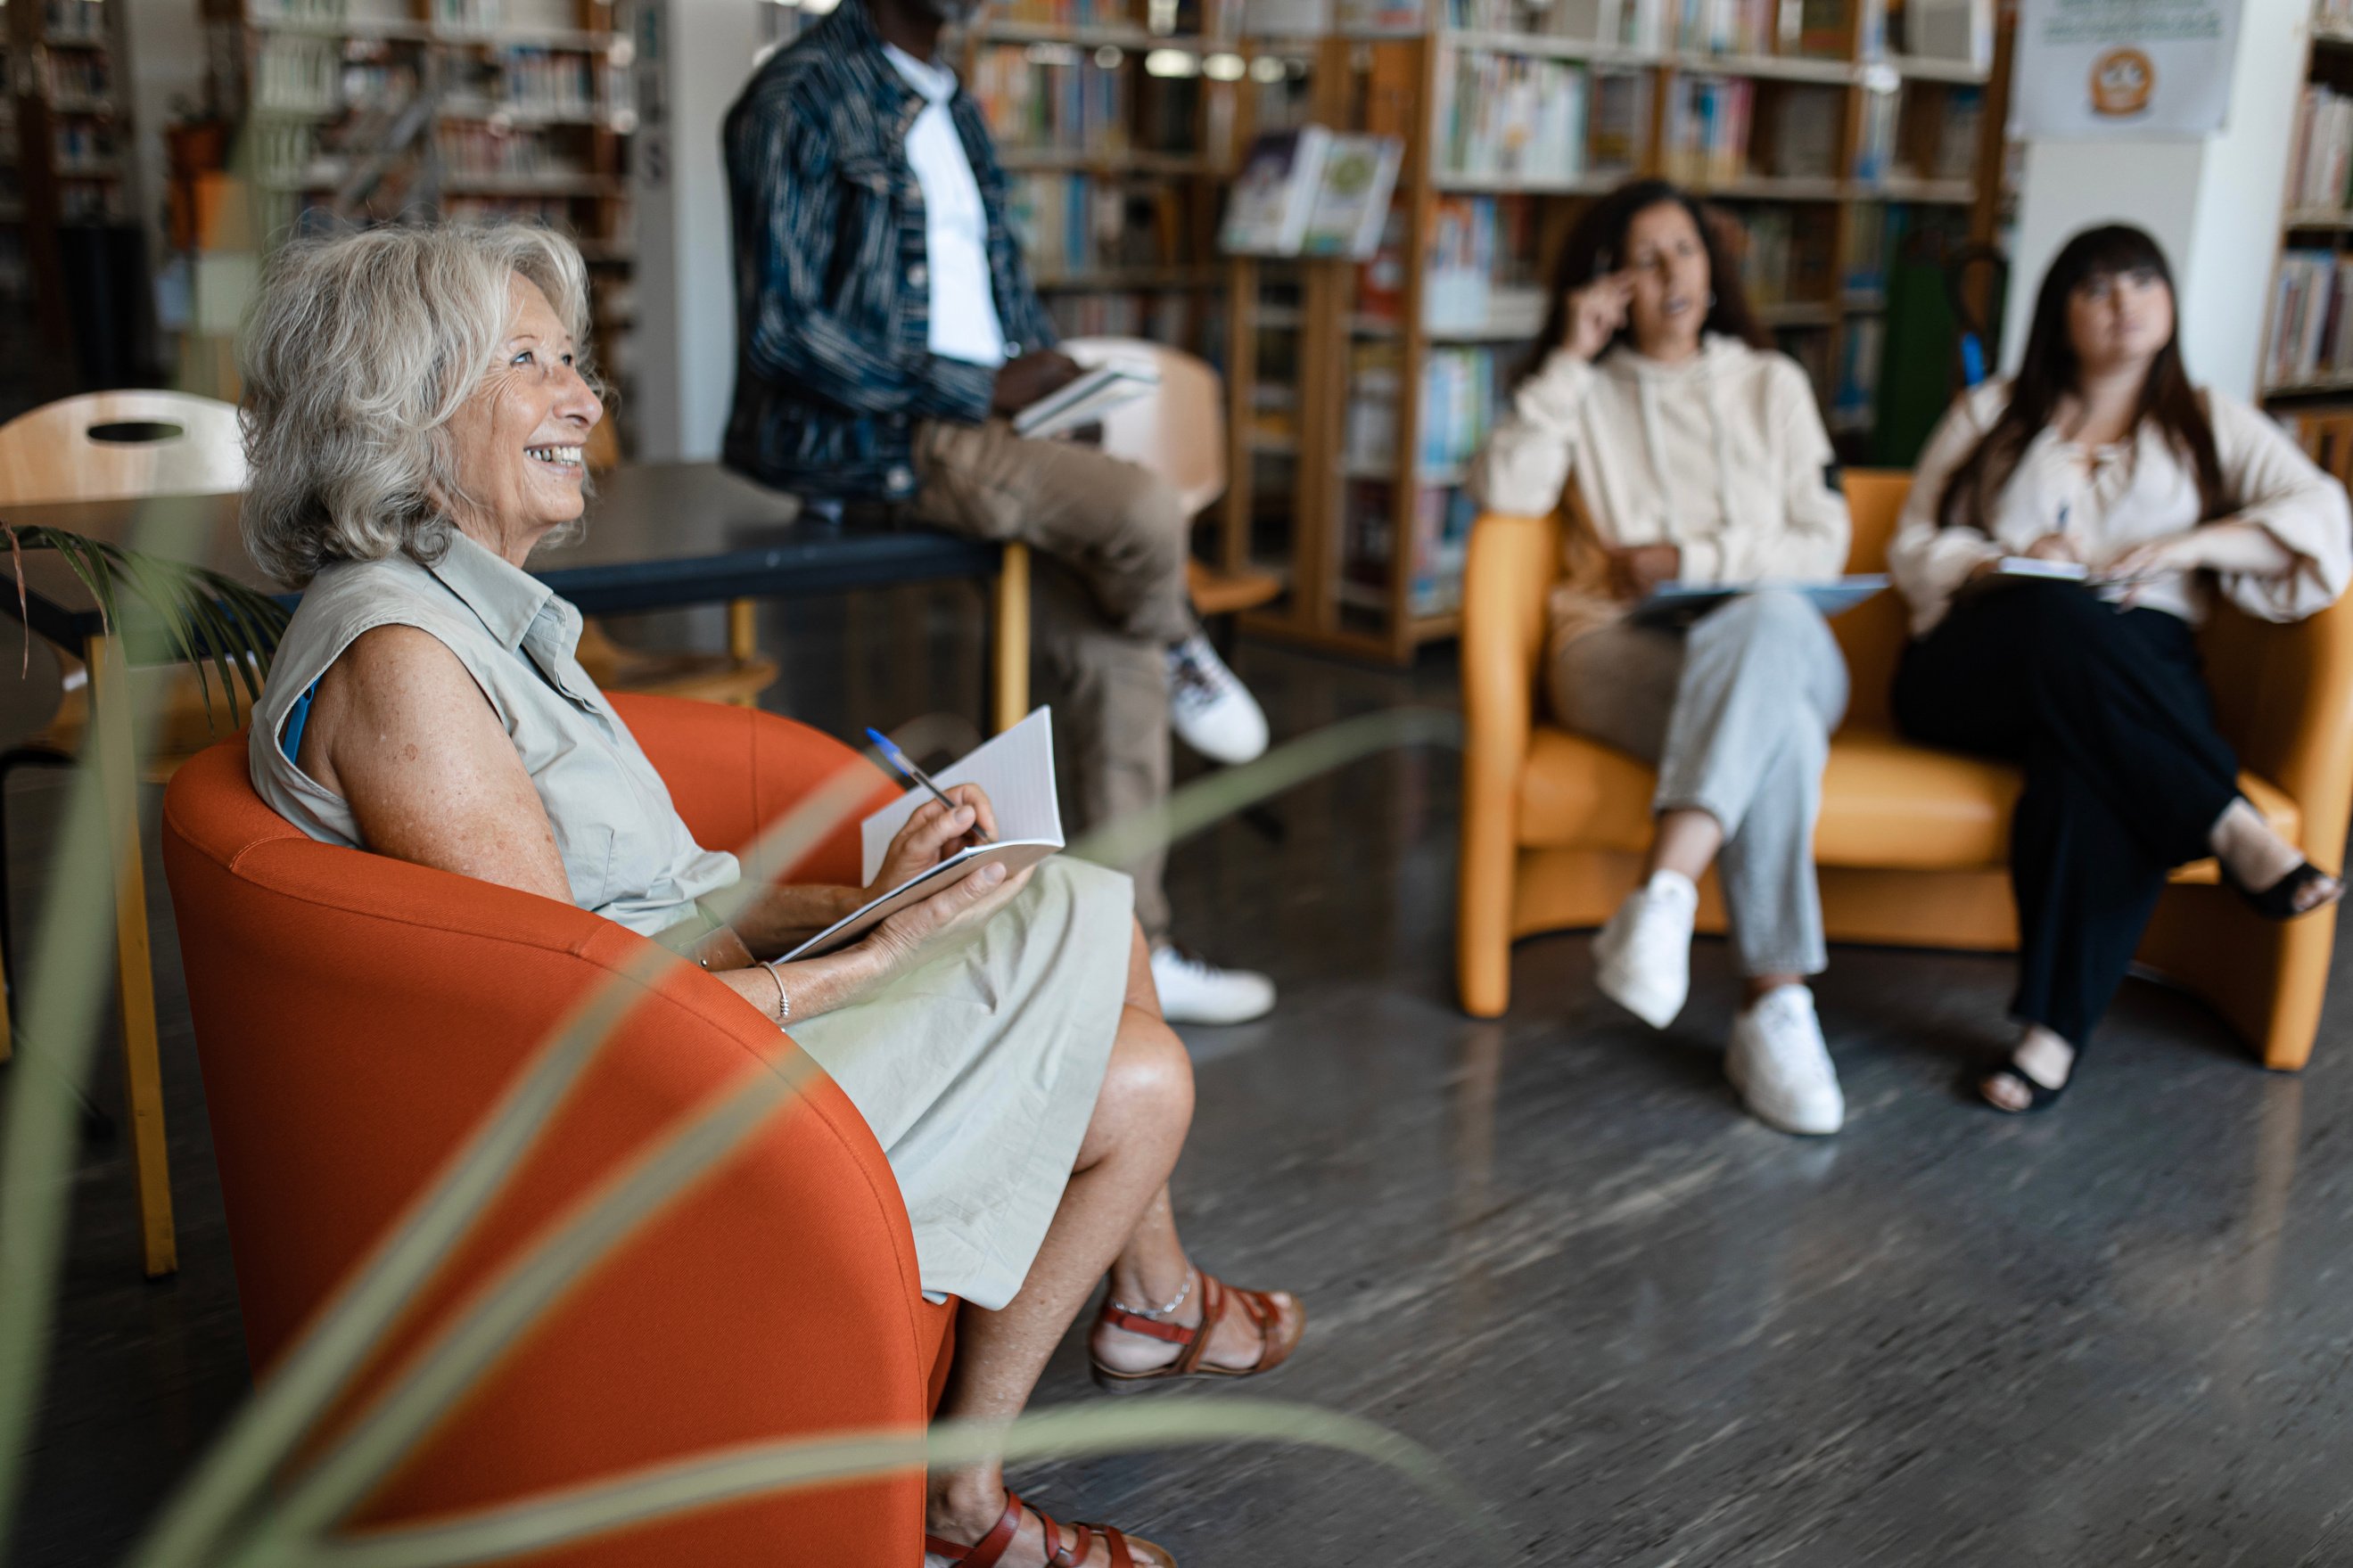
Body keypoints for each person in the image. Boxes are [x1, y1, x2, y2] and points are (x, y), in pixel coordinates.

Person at [238, 225, 1305, 1568]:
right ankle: (1096, 1358)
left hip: (705, 1037)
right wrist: (878, 954)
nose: (583, 399)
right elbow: (574, 1033)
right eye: (529, 364)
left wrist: (870, 896)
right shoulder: (405, 666)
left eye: (576, 363)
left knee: (1100, 1003)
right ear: (394, 404)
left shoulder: (469, 623)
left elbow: (642, 911)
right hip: (663, 1129)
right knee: (1092, 942)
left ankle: (993, 1453)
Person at [719, 0, 1274, 1026]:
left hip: (993, 431)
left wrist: (1049, 388)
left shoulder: (953, 100)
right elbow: (782, 333)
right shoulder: (795, 95)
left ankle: (1130, 953)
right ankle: (1186, 634)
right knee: (1146, 509)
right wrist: (980, 388)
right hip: (890, 440)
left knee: (1116, 650)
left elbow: (999, 291)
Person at [1890, 223, 2352, 1114]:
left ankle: (2047, 1036)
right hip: (1983, 659)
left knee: (2089, 763)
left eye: (2141, 282)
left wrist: (2181, 545)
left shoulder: (2209, 423)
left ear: (2168, 301)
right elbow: (1907, 538)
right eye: (2095, 288)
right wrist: (1996, 559)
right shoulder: (1990, 412)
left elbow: (2321, 514)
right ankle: (2226, 822)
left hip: (2131, 668)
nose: (2121, 304)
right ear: (2056, 312)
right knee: (2055, 613)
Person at [1472, 178, 1855, 1136]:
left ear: (1711, 263)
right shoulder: (1585, 393)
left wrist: (1692, 561)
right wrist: (1567, 357)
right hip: (1622, 649)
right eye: (1640, 259)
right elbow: (1507, 489)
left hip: (1780, 633)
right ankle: (1775, 1004)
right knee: (1783, 733)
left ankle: (1665, 891)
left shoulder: (1771, 384)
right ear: (1608, 283)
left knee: (1764, 621)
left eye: (1681, 250)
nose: (1668, 273)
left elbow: (1825, 540)